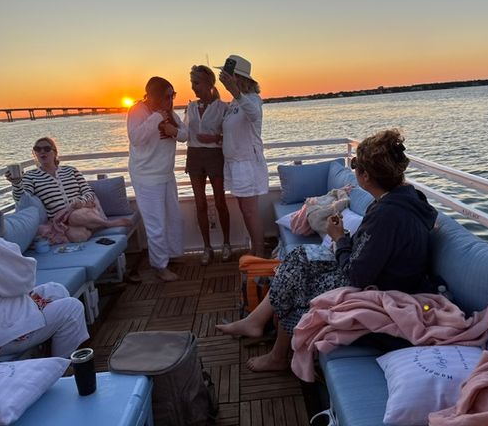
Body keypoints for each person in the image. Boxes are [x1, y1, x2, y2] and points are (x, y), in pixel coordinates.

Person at [217, 129, 438, 371]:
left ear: (365, 175)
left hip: (382, 289)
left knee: (298, 288)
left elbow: (357, 276)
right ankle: (257, 323)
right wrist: (343, 241)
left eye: (355, 166)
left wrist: (340, 239)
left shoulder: (388, 214)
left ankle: (276, 353)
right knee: (298, 257)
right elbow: (377, 249)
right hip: (383, 277)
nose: (354, 172)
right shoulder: (407, 199)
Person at [0, 226, 89, 361]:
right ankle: (61, 369)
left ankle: (46, 350)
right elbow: (24, 278)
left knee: (56, 290)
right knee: (72, 309)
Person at [7, 137, 131, 243]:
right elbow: (22, 199)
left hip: (83, 211)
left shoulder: (71, 170)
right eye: (37, 149)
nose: (42, 152)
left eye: (46, 148)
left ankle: (107, 224)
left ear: (54, 152)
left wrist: (81, 202)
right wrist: (16, 183)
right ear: (35, 153)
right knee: (79, 237)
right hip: (61, 221)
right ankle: (97, 226)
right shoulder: (30, 176)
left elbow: (89, 192)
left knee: (75, 215)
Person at [127, 76, 188, 282]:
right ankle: (160, 266)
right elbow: (135, 138)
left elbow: (185, 134)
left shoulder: (170, 112)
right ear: (153, 97)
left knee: (173, 217)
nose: (171, 101)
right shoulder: (137, 111)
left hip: (166, 173)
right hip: (146, 176)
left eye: (173, 96)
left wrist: (175, 130)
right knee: (156, 223)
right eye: (167, 97)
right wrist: (156, 119)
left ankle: (171, 254)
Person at [217, 55, 269, 257]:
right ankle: (255, 252)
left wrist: (236, 92)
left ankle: (259, 256)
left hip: (247, 163)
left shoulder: (252, 100)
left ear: (239, 77)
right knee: (245, 211)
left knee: (250, 211)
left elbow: (254, 115)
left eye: (229, 74)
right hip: (234, 163)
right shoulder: (233, 104)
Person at [184, 65, 231, 265]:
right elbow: (185, 133)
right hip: (194, 155)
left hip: (214, 155)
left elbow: (230, 136)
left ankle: (227, 244)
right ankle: (207, 247)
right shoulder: (191, 107)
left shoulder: (223, 108)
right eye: (192, 83)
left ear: (209, 83)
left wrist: (214, 137)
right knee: (200, 203)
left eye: (196, 83)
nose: (193, 87)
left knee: (220, 202)